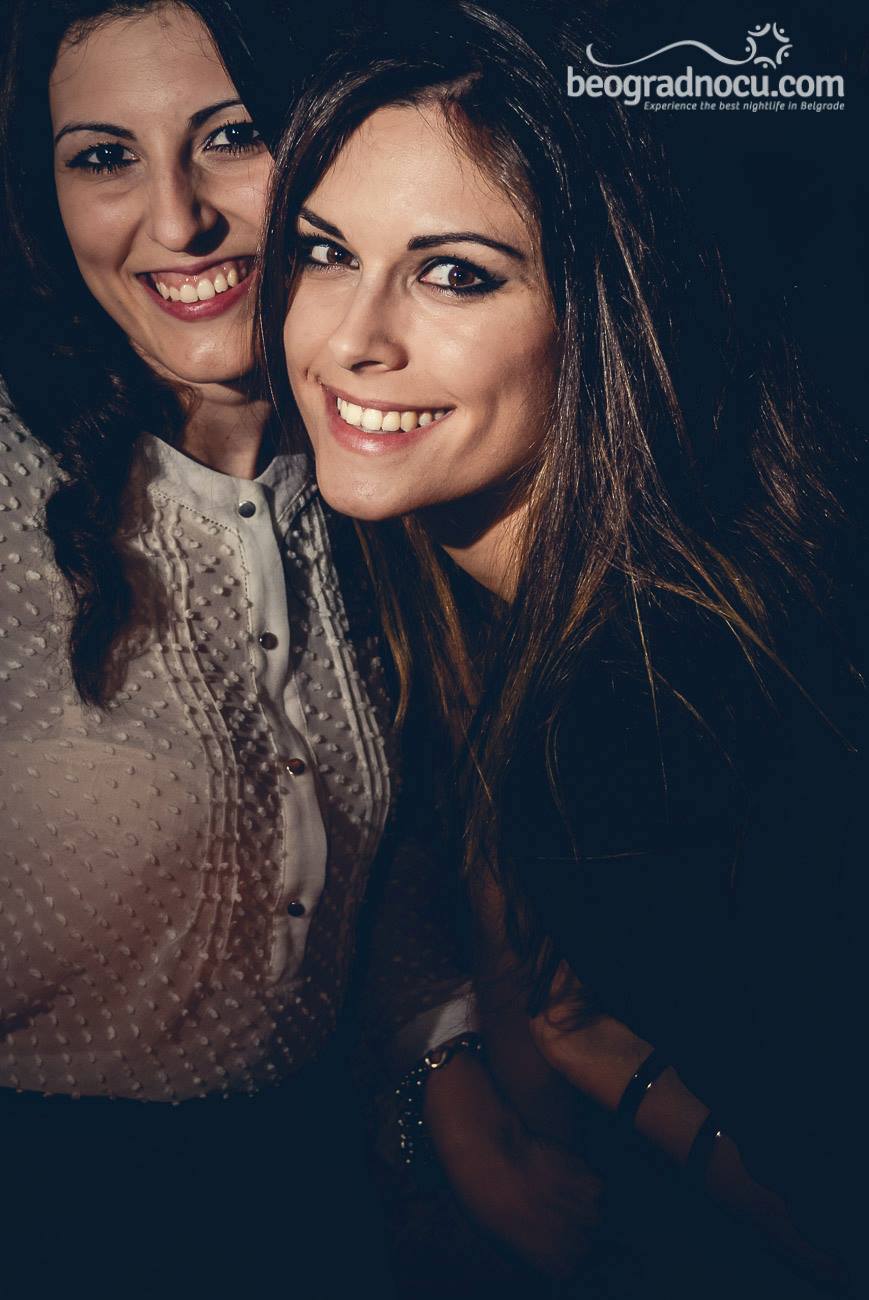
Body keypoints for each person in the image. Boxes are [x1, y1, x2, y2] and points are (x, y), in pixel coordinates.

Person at [260, 1, 866, 1294]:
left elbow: (832, 1203)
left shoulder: (652, 715)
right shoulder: (506, 618)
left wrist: (613, 1067)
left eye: (455, 273)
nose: (352, 337)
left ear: (598, 310)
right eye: (324, 252)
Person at [0, 4, 604, 1294]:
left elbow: (370, 888)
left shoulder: (382, 467)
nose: (176, 222)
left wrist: (451, 1086)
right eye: (103, 156)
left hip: (302, 1206)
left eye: (232, 137)